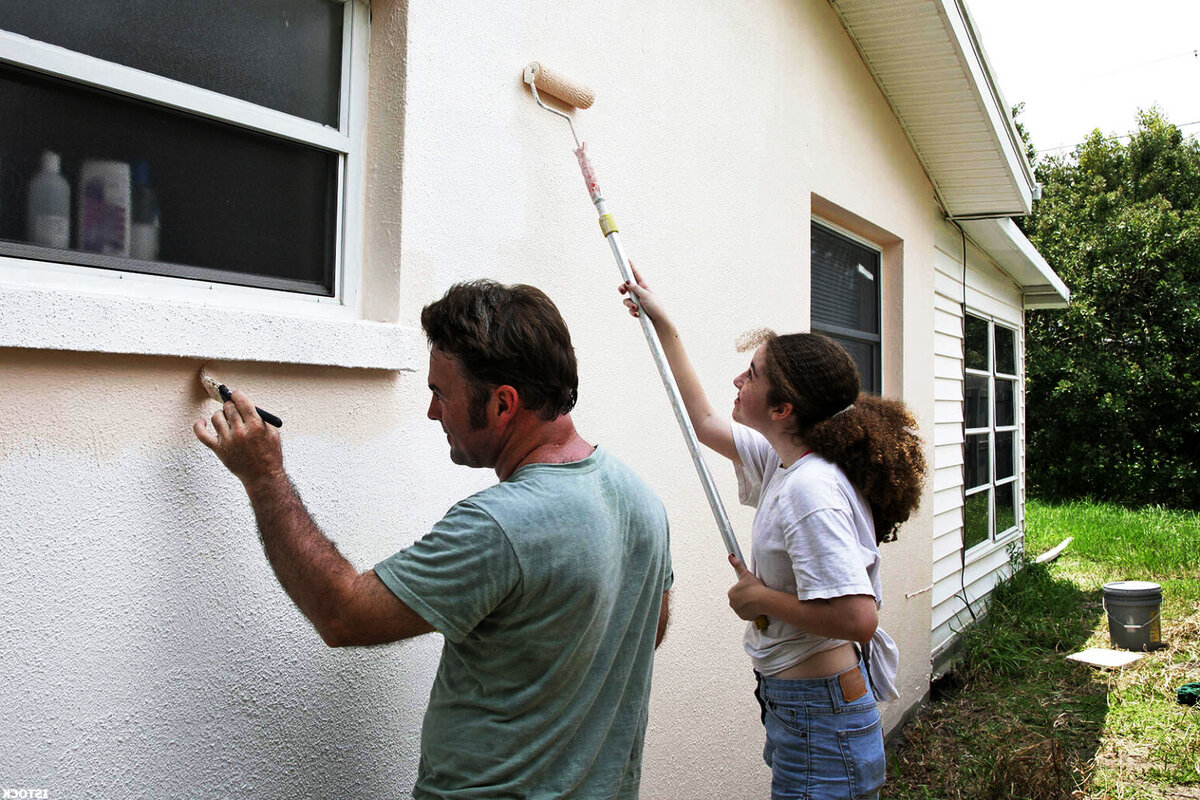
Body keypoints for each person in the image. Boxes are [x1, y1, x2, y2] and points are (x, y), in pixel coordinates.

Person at [194, 279, 673, 799]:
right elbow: (647, 627)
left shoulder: (498, 526)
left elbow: (342, 614)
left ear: (502, 404)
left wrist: (264, 477)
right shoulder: (640, 500)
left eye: (441, 394)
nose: (431, 412)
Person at [619, 269, 925, 800]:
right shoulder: (786, 461)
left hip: (822, 716)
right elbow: (704, 421)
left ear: (783, 410)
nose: (739, 380)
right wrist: (663, 324)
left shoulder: (811, 489)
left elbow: (858, 617)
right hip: (809, 706)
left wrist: (764, 598)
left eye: (752, 375)